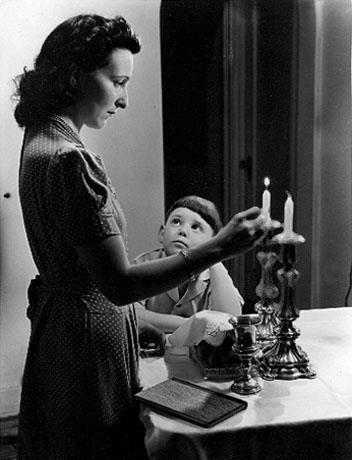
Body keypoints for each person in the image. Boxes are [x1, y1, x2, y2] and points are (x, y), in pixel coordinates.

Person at [14, 13, 267, 460]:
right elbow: (119, 284)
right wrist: (221, 245)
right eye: (117, 81)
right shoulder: (72, 161)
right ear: (75, 76)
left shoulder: (38, 140)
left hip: (61, 329)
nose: (125, 100)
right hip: (88, 343)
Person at [134, 195, 244, 334]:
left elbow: (230, 321)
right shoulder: (145, 264)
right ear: (162, 232)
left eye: (195, 227)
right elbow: (132, 315)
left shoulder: (213, 275)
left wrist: (213, 256)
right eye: (176, 222)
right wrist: (191, 324)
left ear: (212, 241)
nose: (183, 231)